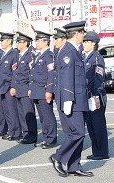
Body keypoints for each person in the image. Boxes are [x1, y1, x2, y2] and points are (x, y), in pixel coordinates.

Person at [49, 21, 93, 177]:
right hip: (71, 100)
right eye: (82, 33)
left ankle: (74, 166)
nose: (83, 36)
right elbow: (67, 77)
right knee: (78, 133)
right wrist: (68, 99)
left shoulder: (72, 50)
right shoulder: (68, 51)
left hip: (78, 99)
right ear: (77, 34)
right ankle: (58, 157)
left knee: (73, 134)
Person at [82, 31, 109, 160]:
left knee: (98, 125)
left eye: (87, 42)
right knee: (91, 126)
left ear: (94, 44)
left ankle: (102, 152)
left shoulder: (97, 58)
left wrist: (96, 96)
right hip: (87, 96)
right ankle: (96, 151)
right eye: (84, 41)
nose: (85, 44)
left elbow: (98, 78)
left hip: (95, 96)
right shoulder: (85, 56)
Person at [29, 31, 57, 149]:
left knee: (48, 115)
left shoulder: (49, 56)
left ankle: (51, 139)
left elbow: (51, 74)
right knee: (42, 116)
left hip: (44, 90)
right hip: (36, 90)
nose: (36, 43)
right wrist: (31, 88)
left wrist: (49, 90)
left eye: (39, 40)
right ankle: (46, 137)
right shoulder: (38, 55)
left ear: (45, 42)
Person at [13, 32, 37, 144]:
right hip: (19, 88)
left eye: (19, 42)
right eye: (17, 42)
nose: (17, 44)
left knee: (29, 113)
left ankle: (32, 135)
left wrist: (30, 87)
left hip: (26, 87)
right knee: (22, 113)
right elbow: (15, 73)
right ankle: (25, 133)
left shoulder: (30, 55)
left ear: (25, 43)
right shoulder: (18, 55)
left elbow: (31, 73)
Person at [0, 32, 21, 141]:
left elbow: (15, 72)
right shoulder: (3, 53)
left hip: (9, 86)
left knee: (12, 110)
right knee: (6, 110)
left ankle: (16, 132)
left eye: (3, 40)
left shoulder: (13, 54)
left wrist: (13, 86)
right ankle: (11, 130)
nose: (1, 42)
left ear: (9, 41)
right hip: (2, 86)